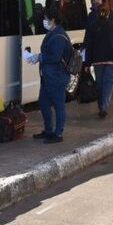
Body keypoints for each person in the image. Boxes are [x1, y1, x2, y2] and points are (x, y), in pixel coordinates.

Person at [28, 8, 71, 143]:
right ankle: (48, 130)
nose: (44, 21)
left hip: (57, 77)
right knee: (43, 103)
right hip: (47, 77)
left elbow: (54, 56)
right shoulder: (52, 33)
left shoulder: (59, 36)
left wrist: (39, 57)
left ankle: (58, 134)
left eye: (46, 19)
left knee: (59, 105)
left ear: (53, 20)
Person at [83, 4, 113, 118]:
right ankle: (104, 107)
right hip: (112, 59)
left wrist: (87, 63)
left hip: (97, 60)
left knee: (100, 83)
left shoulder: (93, 27)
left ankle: (101, 106)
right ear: (108, 13)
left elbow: (89, 46)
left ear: (98, 13)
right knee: (108, 83)